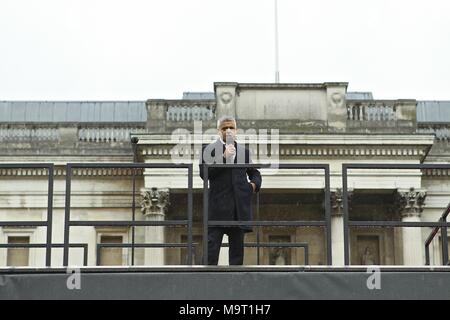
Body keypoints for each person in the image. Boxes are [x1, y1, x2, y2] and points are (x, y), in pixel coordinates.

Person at [199, 116, 262, 265]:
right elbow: (204, 174)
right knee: (210, 255)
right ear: (218, 131)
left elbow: (255, 173)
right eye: (224, 128)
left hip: (238, 210)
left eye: (231, 128)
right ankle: (207, 285)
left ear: (236, 131)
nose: (228, 131)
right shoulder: (207, 149)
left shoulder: (244, 152)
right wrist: (223, 157)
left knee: (237, 256)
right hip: (217, 210)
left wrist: (252, 186)